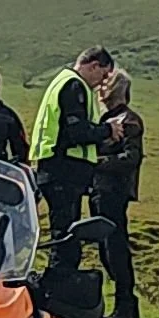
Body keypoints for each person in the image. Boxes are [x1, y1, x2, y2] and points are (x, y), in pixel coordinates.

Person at [30, 46, 120, 268]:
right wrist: (107, 131)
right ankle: (59, 285)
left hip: (56, 167)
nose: (102, 82)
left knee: (65, 231)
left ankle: (59, 281)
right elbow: (76, 132)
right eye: (103, 74)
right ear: (93, 66)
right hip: (64, 170)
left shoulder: (64, 82)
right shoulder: (73, 86)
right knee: (65, 234)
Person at [93, 68, 146, 318]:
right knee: (107, 248)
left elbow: (131, 157)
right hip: (102, 189)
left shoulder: (128, 121)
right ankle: (126, 307)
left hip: (112, 191)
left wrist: (96, 163)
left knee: (114, 247)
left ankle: (125, 307)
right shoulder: (110, 118)